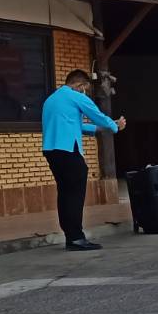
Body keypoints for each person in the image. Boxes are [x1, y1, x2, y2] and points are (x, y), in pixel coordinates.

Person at [40, 69, 125, 251]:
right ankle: (77, 237)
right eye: (84, 88)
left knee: (65, 193)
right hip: (69, 151)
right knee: (75, 195)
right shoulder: (75, 96)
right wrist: (115, 126)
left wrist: (107, 128)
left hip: (52, 151)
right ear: (80, 85)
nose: (85, 92)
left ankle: (71, 236)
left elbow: (79, 126)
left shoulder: (51, 100)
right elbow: (97, 115)